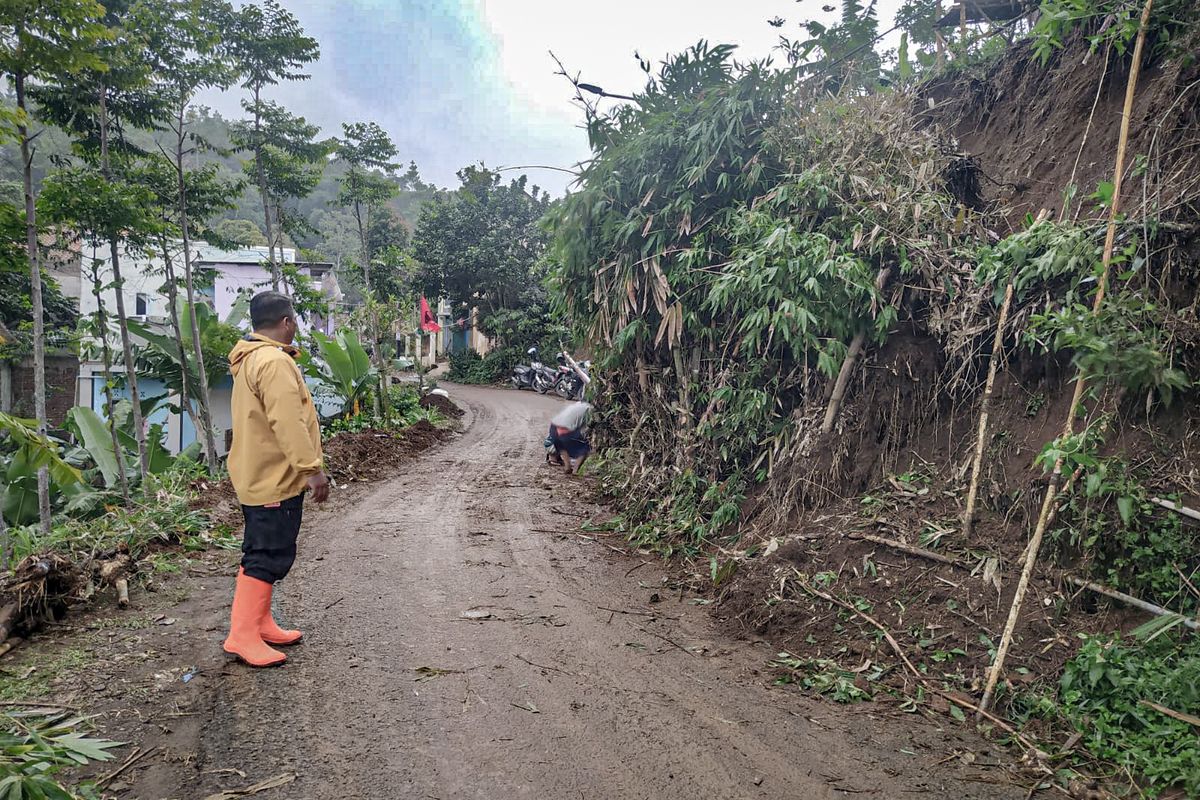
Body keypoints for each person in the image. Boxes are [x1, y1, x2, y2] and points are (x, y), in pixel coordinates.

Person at [223, 291, 331, 668]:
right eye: (295, 320)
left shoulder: (252, 358)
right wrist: (312, 470)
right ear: (286, 322)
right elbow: (287, 422)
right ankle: (243, 635)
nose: (296, 326)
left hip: (258, 473)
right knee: (267, 554)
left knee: (261, 550)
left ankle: (259, 622)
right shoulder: (273, 363)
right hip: (273, 477)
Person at [548, 401, 592, 475]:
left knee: (561, 446)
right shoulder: (590, 410)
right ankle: (576, 470)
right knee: (585, 448)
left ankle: (567, 466)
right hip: (566, 430)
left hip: (554, 427)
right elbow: (586, 428)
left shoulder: (576, 405)